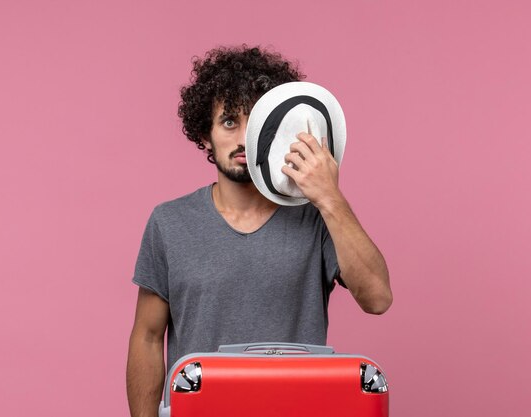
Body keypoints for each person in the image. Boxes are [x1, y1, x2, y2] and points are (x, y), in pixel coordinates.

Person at [126, 45, 393, 417]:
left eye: (257, 122)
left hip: (297, 409)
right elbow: (148, 337)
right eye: (229, 122)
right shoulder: (170, 222)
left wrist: (330, 197)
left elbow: (378, 299)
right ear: (205, 134)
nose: (244, 138)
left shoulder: (317, 217)